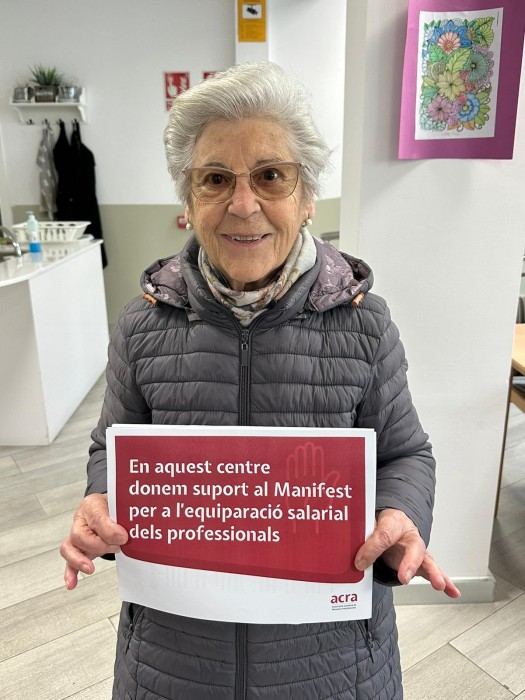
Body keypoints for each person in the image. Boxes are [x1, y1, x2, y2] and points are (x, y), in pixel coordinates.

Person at [60, 61, 460, 699]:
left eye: (271, 175)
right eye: (215, 179)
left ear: (306, 197)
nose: (243, 205)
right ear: (189, 202)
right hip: (174, 663)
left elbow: (406, 453)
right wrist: (101, 500)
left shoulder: (365, 324)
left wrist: (399, 513)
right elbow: (109, 450)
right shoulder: (141, 326)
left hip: (332, 666)